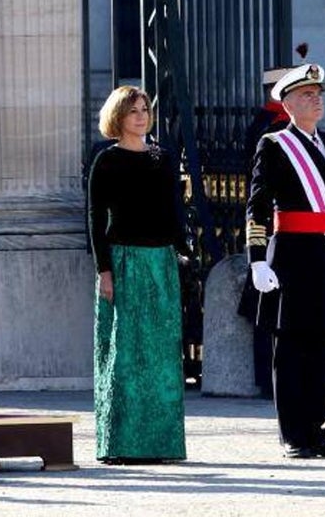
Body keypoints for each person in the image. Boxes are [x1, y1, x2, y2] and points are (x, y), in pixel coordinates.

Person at [246, 63, 325, 459]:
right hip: (290, 254)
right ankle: (294, 433)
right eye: (307, 95)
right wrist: (258, 259)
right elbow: (257, 205)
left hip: (324, 253)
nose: (316, 99)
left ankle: (317, 427)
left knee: (321, 344)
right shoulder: (274, 145)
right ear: (288, 103)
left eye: (318, 94)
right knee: (291, 347)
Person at [87, 85, 187, 465]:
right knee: (126, 355)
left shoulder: (164, 158)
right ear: (118, 117)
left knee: (162, 356)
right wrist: (104, 271)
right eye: (133, 111)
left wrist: (182, 252)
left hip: (160, 262)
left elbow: (175, 210)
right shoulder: (106, 160)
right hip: (124, 261)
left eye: (145, 109)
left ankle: (162, 443)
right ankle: (122, 444)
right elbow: (96, 220)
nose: (141, 116)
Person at [237, 65, 294, 399]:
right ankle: (267, 378)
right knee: (269, 305)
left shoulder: (269, 123)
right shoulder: (270, 128)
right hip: (272, 225)